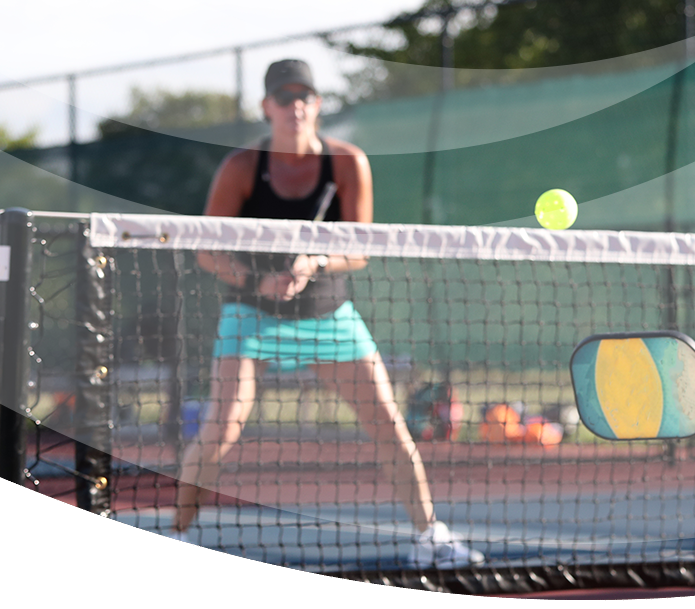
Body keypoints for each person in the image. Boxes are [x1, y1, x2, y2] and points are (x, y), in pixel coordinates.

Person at [174, 59, 484, 569]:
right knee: (221, 428)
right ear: (266, 107)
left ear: (317, 104)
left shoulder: (347, 162)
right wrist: (257, 281)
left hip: (328, 316)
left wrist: (316, 261)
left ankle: (431, 537)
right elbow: (207, 253)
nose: (295, 105)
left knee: (389, 425)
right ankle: (179, 535)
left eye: (304, 96)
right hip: (251, 317)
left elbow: (359, 250)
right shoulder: (241, 168)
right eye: (284, 97)